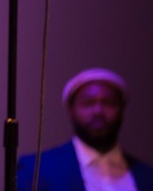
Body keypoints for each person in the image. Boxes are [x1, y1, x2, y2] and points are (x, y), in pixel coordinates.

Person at [17, 68, 153, 190]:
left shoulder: (146, 176)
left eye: (108, 103)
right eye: (88, 103)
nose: (98, 111)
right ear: (70, 111)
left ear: (122, 110)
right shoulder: (36, 169)